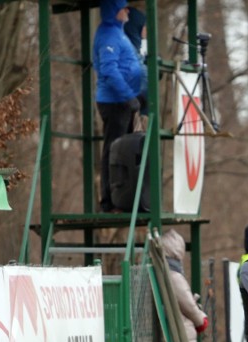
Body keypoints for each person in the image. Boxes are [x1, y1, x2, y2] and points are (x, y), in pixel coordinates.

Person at [93, 0, 143, 212]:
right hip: (115, 103)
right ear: (115, 11)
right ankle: (109, 200)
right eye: (123, 7)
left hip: (124, 101)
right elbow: (108, 70)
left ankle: (126, 198)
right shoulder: (108, 35)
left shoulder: (117, 31)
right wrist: (126, 96)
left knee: (126, 151)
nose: (127, 10)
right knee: (113, 150)